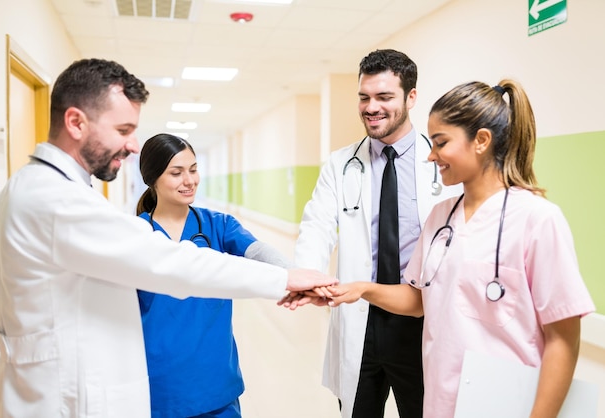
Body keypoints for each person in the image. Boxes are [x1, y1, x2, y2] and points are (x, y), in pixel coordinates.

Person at [0, 58, 336, 418]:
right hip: (63, 400)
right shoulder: (54, 201)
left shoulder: (37, 191)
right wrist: (286, 278)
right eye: (123, 130)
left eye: (194, 170)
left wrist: (287, 272)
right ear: (76, 122)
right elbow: (172, 261)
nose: (133, 145)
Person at [325, 79, 596, 417]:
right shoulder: (441, 217)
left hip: (507, 403)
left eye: (441, 142)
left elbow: (563, 339)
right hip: (442, 400)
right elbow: (418, 300)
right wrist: (362, 288)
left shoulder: (537, 219)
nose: (430, 154)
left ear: (481, 140)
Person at [292, 49, 461, 418]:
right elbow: (318, 224)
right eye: (364, 97)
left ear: (410, 97)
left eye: (384, 97)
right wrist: (306, 273)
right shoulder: (341, 164)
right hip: (361, 318)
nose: (372, 107)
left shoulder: (441, 163)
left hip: (420, 320)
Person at [136, 133, 294, 418]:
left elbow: (258, 252)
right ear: (152, 178)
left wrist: (295, 275)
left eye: (194, 169)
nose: (189, 180)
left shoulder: (217, 225)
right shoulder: (134, 234)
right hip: (158, 387)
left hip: (216, 384)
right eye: (177, 173)